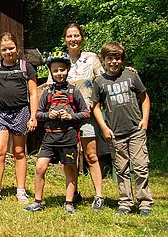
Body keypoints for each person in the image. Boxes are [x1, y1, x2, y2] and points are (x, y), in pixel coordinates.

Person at [91, 42, 153, 216]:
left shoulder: (131, 76)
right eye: (109, 58)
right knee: (121, 169)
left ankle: (145, 203)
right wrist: (103, 127)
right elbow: (95, 106)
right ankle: (125, 202)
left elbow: (145, 98)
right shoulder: (100, 81)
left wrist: (145, 119)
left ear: (122, 60)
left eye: (117, 58)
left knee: (141, 167)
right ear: (103, 60)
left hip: (135, 130)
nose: (113, 62)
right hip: (115, 133)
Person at [25, 52, 90, 214]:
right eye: (55, 71)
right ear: (51, 72)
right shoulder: (47, 92)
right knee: (40, 167)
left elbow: (86, 112)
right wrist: (48, 115)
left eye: (62, 70)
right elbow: (38, 114)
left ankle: (69, 202)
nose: (59, 73)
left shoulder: (73, 91)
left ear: (67, 70)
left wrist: (71, 116)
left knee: (69, 168)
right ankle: (38, 201)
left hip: (68, 137)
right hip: (49, 138)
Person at [51, 23, 105, 209]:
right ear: (65, 39)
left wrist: (126, 71)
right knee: (70, 156)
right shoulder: (60, 61)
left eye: (76, 35)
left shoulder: (91, 58)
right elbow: (49, 89)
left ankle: (99, 195)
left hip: (86, 114)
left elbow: (104, 80)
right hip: (65, 118)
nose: (73, 39)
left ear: (81, 37)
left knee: (91, 155)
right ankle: (74, 193)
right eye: (69, 36)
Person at [0, 32, 38, 206]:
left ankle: (21, 191)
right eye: (4, 49)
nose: (8, 52)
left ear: (17, 48)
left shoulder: (26, 67)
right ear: (0, 51)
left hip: (21, 112)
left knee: (19, 152)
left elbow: (33, 93)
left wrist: (33, 116)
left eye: (11, 48)